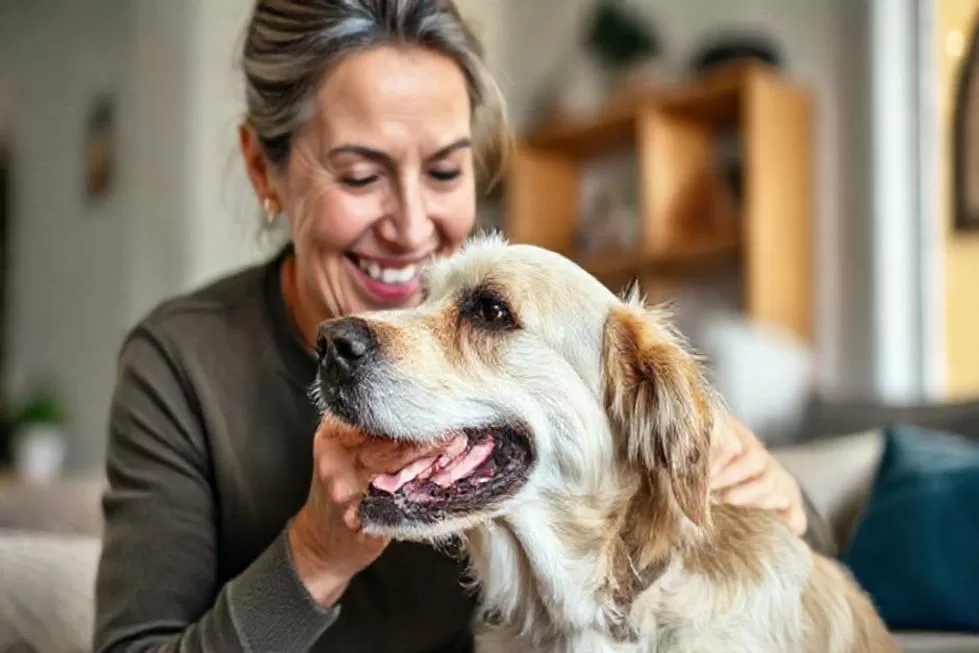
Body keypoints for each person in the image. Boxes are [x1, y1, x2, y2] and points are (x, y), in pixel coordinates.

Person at [92, 1, 833, 652]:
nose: (413, 228)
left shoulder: (569, 356)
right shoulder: (180, 366)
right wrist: (315, 553)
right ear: (263, 169)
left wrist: (787, 501)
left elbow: (791, 584)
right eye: (359, 174)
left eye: (445, 172)